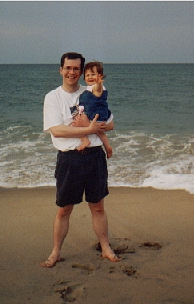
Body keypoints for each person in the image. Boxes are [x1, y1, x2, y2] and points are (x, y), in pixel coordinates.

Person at [41, 52, 121, 268]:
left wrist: (96, 127)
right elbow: (57, 131)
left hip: (95, 157)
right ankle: (56, 252)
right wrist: (89, 129)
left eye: (76, 68)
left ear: (82, 72)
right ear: (61, 70)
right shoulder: (53, 97)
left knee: (97, 206)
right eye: (68, 68)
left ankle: (105, 247)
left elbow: (111, 123)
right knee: (64, 209)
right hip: (69, 159)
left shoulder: (93, 91)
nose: (72, 72)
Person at [73, 61, 113, 159]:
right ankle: (107, 146)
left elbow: (98, 91)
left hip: (94, 115)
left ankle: (85, 140)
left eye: (93, 74)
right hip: (99, 115)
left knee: (76, 125)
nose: (90, 77)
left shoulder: (97, 87)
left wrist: (98, 83)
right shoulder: (88, 88)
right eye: (87, 75)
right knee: (100, 133)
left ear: (100, 76)